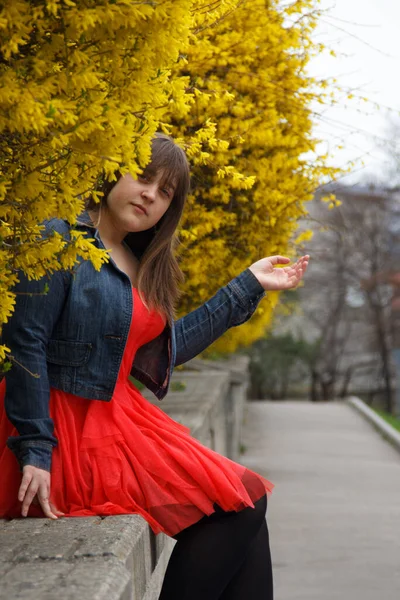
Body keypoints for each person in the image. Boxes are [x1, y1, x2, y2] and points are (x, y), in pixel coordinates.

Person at [0, 133, 309, 600]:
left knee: (248, 503)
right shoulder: (59, 238)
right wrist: (35, 449)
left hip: (114, 417)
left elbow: (163, 352)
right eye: (143, 177)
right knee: (241, 509)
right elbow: (26, 343)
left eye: (165, 192)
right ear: (112, 170)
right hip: (61, 424)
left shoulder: (138, 261)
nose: (150, 194)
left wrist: (247, 286)